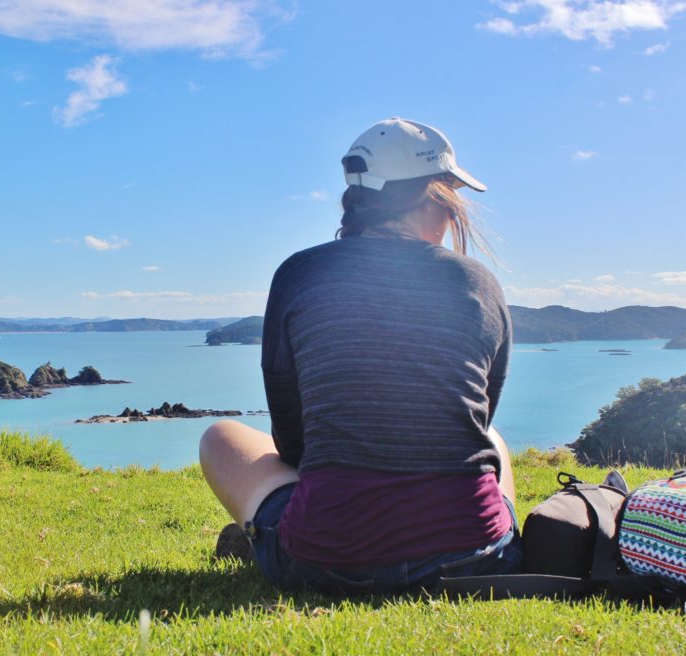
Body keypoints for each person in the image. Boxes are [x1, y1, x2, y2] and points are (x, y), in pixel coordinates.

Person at [200, 117, 521, 595]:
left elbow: (293, 444)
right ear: (434, 196)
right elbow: (477, 418)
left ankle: (267, 535)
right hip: (472, 562)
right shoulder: (479, 282)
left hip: (325, 562)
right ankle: (497, 540)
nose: (455, 216)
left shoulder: (300, 273)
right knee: (493, 437)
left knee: (219, 436)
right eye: (453, 197)